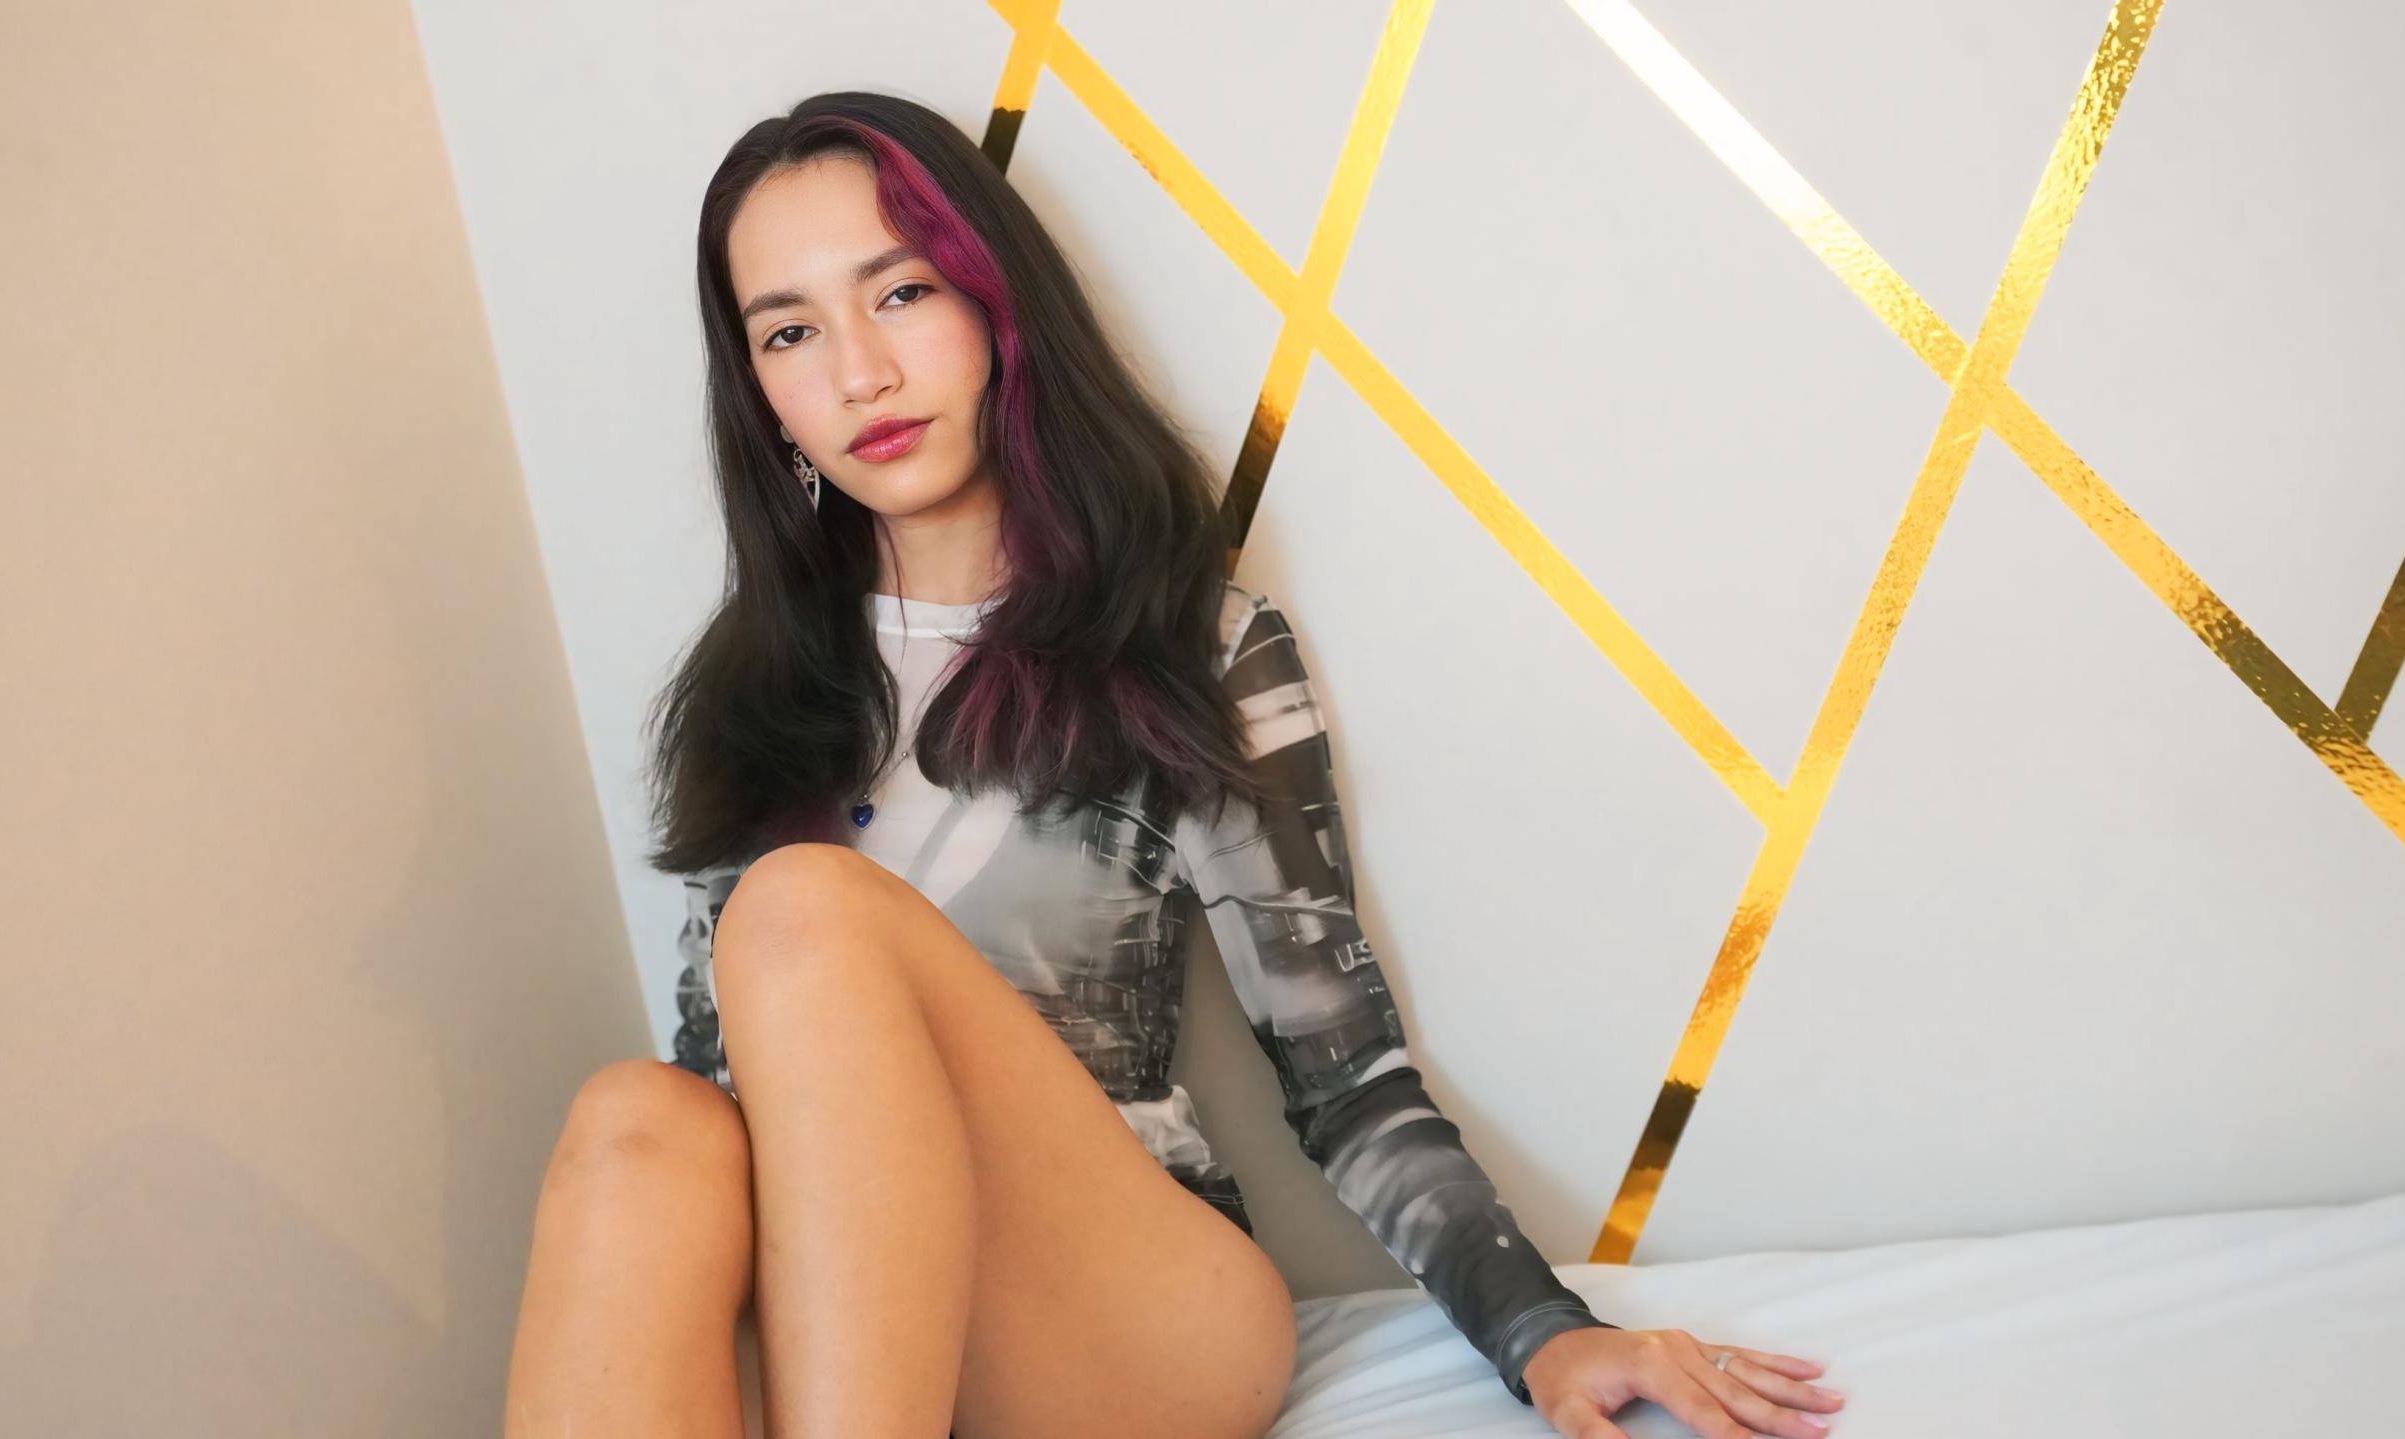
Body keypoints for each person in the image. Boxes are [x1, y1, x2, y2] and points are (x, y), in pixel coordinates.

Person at [503, 90, 1849, 1439]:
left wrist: (1543, 1333)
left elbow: (1345, 1077)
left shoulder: (1189, 643)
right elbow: (732, 1099)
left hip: (1130, 1320)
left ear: (995, 309)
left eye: (901, 293)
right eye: (790, 331)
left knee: (802, 906)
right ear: (761, 396)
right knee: (642, 1120)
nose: (859, 373)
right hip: (868, 1340)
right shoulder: (752, 686)